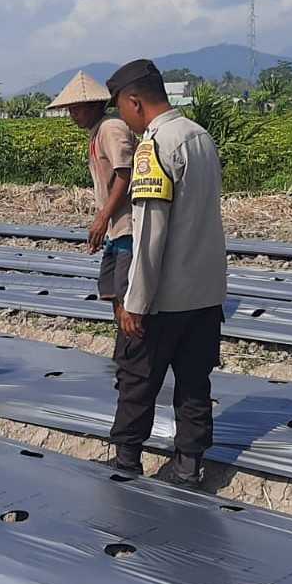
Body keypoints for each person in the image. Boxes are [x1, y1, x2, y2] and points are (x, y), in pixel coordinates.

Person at [103, 58, 227, 487]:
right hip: (205, 293)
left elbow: (149, 235)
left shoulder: (155, 147)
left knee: (136, 377)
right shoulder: (201, 137)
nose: (124, 118)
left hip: (165, 298)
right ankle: (189, 465)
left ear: (135, 101)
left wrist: (135, 302)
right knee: (194, 382)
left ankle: (126, 461)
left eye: (122, 108)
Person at [45, 71, 137, 325]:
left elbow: (125, 172)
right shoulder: (98, 132)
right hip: (115, 228)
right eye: (70, 110)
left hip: (128, 225)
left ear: (96, 105)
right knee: (112, 291)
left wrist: (103, 217)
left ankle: (132, 342)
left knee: (127, 295)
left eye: (77, 109)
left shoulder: (111, 128)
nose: (72, 115)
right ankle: (124, 339)